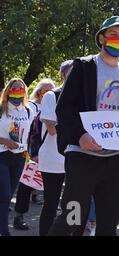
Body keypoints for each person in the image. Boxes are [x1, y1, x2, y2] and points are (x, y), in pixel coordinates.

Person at [48, 16, 119, 236]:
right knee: (72, 220)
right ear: (102, 38)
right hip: (82, 159)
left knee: (107, 225)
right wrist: (80, 136)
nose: (118, 39)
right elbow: (64, 108)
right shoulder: (84, 67)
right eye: (113, 34)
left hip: (116, 163)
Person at [13, 78, 55, 231]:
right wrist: (32, 153)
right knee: (26, 185)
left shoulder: (53, 105)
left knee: (47, 186)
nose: (50, 93)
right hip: (32, 153)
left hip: (50, 154)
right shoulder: (31, 107)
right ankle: (19, 216)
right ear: (39, 92)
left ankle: (51, 218)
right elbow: (30, 133)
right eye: (47, 91)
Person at [37, 61, 73, 236]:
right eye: (72, 72)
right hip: (53, 158)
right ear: (63, 75)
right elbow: (51, 129)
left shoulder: (80, 96)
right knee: (51, 204)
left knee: (74, 204)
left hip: (74, 158)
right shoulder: (52, 96)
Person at [0, 78, 34, 236]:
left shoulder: (28, 110)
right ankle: (4, 231)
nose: (18, 91)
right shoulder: (1, 108)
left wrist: (29, 152)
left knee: (7, 196)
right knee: (5, 196)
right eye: (14, 88)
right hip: (1, 155)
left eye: (21, 88)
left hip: (19, 157)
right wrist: (4, 140)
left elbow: (30, 134)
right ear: (8, 90)